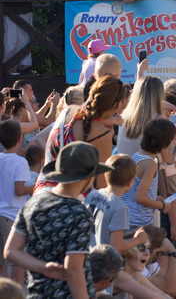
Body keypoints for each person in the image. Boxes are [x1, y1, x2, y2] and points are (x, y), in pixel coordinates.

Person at [4, 142, 113, 298]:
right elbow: (73, 269)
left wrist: (43, 268)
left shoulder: (34, 202)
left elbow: (10, 251)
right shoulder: (80, 213)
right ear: (88, 178)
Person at [84, 154, 148, 250]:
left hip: (86, 257)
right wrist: (138, 240)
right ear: (130, 181)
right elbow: (116, 246)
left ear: (105, 175)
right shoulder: (120, 208)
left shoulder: (91, 195)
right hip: (104, 261)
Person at [121, 118, 176, 229]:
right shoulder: (150, 164)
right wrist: (162, 205)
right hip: (137, 221)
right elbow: (139, 198)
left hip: (128, 217)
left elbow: (137, 188)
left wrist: (154, 197)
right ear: (164, 145)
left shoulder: (138, 155)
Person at [0, 120, 32, 283]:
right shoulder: (20, 162)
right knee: (17, 261)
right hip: (12, 216)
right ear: (20, 138)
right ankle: (16, 293)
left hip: (0, 214)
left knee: (1, 263)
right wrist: (35, 187)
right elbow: (19, 190)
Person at [1, 0, 44, 72]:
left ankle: (20, 73)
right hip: (11, 16)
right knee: (11, 45)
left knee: (24, 44)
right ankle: (9, 71)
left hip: (26, 14)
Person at [117, 76, 165, 157]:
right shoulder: (158, 120)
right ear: (159, 94)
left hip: (124, 166)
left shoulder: (124, 116)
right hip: (145, 168)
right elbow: (165, 158)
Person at [112, 234, 169, 299]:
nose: (147, 253)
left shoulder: (136, 275)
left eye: (149, 248)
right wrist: (173, 253)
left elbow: (164, 295)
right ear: (128, 251)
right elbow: (154, 297)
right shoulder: (119, 275)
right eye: (141, 248)